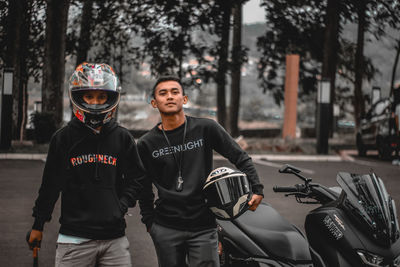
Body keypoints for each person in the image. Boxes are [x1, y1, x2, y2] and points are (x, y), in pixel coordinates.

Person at [137, 75, 264, 267]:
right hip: (165, 226)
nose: (169, 96)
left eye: (175, 92)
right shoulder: (147, 143)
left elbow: (239, 156)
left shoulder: (205, 128)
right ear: (154, 102)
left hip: (203, 225)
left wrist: (257, 188)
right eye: (163, 93)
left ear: (184, 99)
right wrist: (149, 222)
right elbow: (143, 186)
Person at [27, 62, 146, 267]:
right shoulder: (63, 138)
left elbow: (137, 178)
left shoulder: (122, 137)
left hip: (114, 240)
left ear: (111, 97)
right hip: (73, 240)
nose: (95, 102)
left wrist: (122, 204)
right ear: (78, 96)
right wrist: (38, 224)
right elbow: (50, 185)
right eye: (89, 96)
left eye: (101, 97)